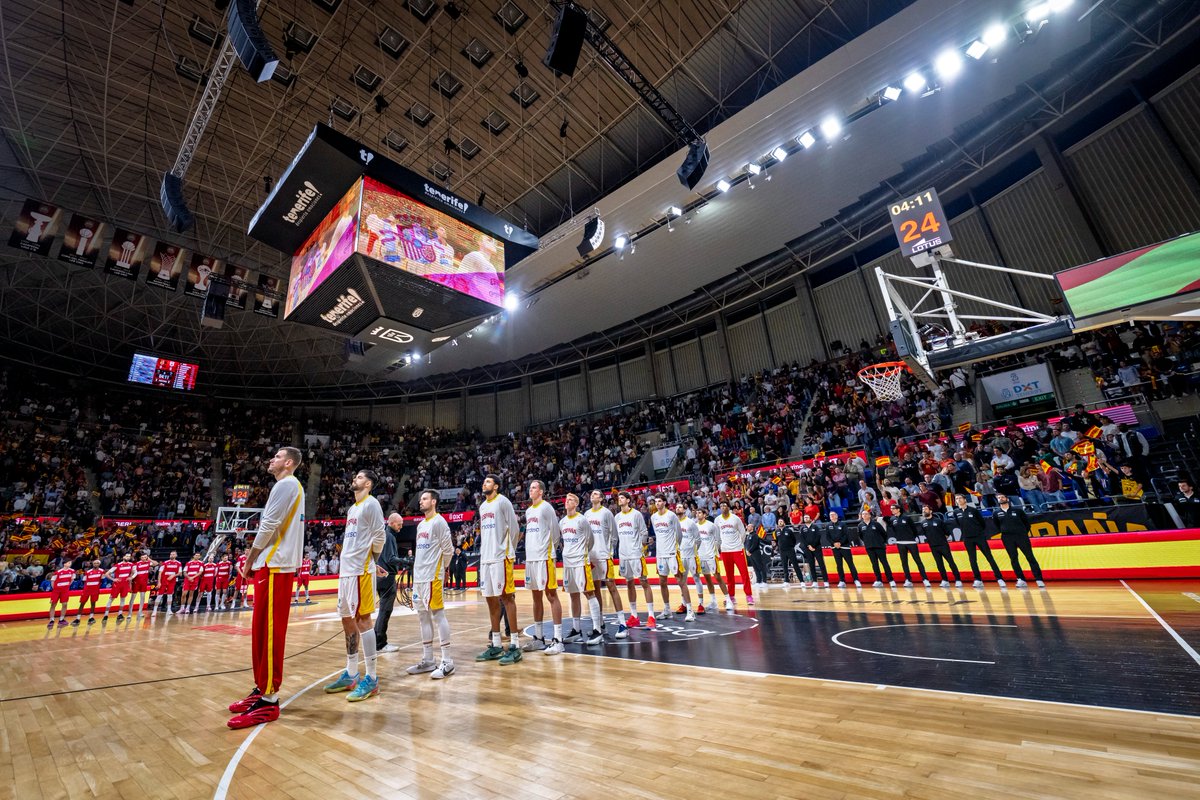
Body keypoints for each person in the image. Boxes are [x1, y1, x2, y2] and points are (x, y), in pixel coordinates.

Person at [227, 446, 307, 730]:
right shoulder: (287, 486)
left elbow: (269, 525)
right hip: (271, 565)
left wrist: (250, 559)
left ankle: (269, 701)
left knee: (270, 633)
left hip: (276, 565)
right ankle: (262, 687)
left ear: (289, 462)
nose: (272, 459)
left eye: (277, 456)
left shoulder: (287, 485)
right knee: (261, 632)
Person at [323, 470, 387, 701]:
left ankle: (371, 678)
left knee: (363, 620)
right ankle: (351, 674)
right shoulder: (352, 509)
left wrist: (372, 561)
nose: (354, 479)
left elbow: (380, 536)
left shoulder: (372, 504)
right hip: (346, 571)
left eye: (359, 477)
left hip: (361, 570)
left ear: (368, 484)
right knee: (347, 620)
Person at [405, 489, 456, 679]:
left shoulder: (439, 522)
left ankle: (447, 661)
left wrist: (443, 569)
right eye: (420, 499)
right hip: (419, 577)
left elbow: (448, 550)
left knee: (438, 615)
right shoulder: (421, 525)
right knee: (422, 617)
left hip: (432, 576)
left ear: (434, 502)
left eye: (425, 499)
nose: (421, 502)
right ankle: (428, 660)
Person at [474, 474, 524, 665]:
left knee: (507, 598)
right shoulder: (482, 506)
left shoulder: (503, 502)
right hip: (486, 558)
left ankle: (514, 645)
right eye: (484, 481)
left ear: (496, 486)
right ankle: (496, 644)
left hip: (501, 557)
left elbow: (514, 528)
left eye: (488, 481)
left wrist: (508, 551)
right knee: (490, 599)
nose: (484, 483)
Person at [520, 479, 564, 653]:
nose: (530, 490)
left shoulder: (546, 508)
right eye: (530, 487)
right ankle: (538, 638)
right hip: (531, 558)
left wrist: (550, 551)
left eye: (534, 487)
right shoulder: (529, 510)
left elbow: (555, 533)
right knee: (535, 597)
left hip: (544, 557)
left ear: (541, 492)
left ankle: (558, 640)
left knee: (551, 595)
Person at [559, 493, 605, 644]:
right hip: (568, 563)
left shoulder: (582, 520)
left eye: (571, 500)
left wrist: (582, 552)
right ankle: (576, 629)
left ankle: (597, 630)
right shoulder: (562, 522)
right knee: (573, 595)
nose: (567, 501)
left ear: (576, 504)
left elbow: (590, 540)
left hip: (580, 561)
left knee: (589, 593)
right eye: (566, 499)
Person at [585, 489, 626, 638]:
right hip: (591, 557)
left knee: (612, 588)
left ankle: (623, 624)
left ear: (601, 498)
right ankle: (600, 624)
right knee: (595, 590)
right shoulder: (586, 514)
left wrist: (609, 552)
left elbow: (614, 535)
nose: (593, 495)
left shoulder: (607, 513)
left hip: (604, 556)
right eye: (592, 493)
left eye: (596, 494)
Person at [947, 493, 1006, 589]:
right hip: (967, 538)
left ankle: (999, 578)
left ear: (965, 499)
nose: (958, 500)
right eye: (956, 499)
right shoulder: (956, 512)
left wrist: (978, 532)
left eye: (960, 498)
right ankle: (978, 579)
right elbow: (958, 524)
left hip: (979, 537)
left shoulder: (973, 510)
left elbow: (982, 523)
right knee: (972, 559)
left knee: (989, 557)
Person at [615, 490, 657, 626]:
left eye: (622, 497)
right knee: (629, 583)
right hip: (623, 555)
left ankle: (651, 616)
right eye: (619, 498)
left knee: (644, 582)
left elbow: (644, 532)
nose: (620, 499)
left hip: (635, 554)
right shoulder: (617, 517)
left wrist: (641, 547)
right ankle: (634, 615)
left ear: (628, 500)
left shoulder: (636, 514)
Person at [650, 494, 694, 621]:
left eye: (659, 501)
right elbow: (657, 534)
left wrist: (675, 547)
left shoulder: (671, 515)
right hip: (660, 554)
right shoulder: (653, 517)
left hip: (672, 553)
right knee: (662, 582)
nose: (657, 503)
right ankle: (667, 610)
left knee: (681, 581)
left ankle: (690, 610)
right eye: (656, 501)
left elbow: (679, 534)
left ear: (664, 502)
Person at [993, 494, 1045, 588]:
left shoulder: (1018, 510)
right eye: (999, 498)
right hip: (1007, 538)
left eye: (1002, 497)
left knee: (1030, 557)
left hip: (1021, 537)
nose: (1000, 499)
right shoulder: (996, 513)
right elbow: (997, 525)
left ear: (1007, 499)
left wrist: (1022, 533)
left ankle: (1039, 579)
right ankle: (1021, 579)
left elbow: (1027, 524)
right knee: (1013, 559)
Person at [375, 512, 404, 655]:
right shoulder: (389, 536)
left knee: (382, 610)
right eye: (399, 524)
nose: (401, 527)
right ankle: (381, 644)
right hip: (387, 578)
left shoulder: (383, 535)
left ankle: (376, 642)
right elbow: (391, 559)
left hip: (379, 577)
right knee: (385, 611)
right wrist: (407, 562)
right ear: (391, 523)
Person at [716, 499, 753, 608]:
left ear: (728, 507)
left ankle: (749, 595)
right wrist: (719, 547)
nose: (723, 507)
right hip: (725, 550)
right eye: (721, 506)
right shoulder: (717, 520)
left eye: (724, 505)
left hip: (737, 549)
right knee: (729, 576)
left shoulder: (735, 518)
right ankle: (731, 596)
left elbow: (743, 532)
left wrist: (739, 543)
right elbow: (717, 535)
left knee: (744, 574)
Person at [915, 505, 962, 588]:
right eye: (923, 509)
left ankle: (958, 580)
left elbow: (947, 532)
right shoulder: (923, 523)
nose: (924, 511)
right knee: (939, 564)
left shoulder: (938, 521)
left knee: (951, 562)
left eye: (925, 509)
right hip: (933, 546)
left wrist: (941, 539)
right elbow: (923, 534)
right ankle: (945, 580)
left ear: (930, 511)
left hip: (943, 545)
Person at [693, 506, 729, 611]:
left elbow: (718, 540)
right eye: (697, 513)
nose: (698, 514)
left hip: (711, 556)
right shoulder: (695, 526)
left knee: (718, 577)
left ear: (705, 515)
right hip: (701, 556)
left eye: (700, 513)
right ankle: (713, 601)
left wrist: (715, 552)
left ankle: (728, 600)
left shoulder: (711, 526)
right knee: (707, 579)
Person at [887, 506, 930, 588]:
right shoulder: (892, 519)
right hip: (900, 543)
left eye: (893, 508)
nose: (891, 510)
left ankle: (925, 579)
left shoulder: (906, 518)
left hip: (911, 542)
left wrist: (911, 537)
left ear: (898, 509)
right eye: (891, 509)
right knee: (904, 562)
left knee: (917, 560)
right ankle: (908, 580)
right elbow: (893, 530)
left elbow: (914, 529)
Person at [676, 502, 707, 615]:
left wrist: (693, 551)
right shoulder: (674, 523)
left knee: (696, 578)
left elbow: (698, 539)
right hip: (680, 556)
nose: (678, 508)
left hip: (691, 556)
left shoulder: (690, 523)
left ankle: (701, 604)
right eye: (676, 507)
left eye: (680, 507)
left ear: (684, 510)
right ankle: (684, 604)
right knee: (682, 581)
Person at [857, 509, 895, 588]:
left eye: (866, 514)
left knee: (884, 563)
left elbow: (884, 534)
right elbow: (861, 536)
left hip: (879, 547)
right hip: (869, 548)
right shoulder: (860, 525)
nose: (864, 515)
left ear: (869, 515)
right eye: (863, 514)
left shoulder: (876, 524)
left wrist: (881, 542)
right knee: (874, 564)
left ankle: (891, 580)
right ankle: (878, 580)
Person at [824, 511, 860, 588]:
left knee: (850, 564)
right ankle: (842, 581)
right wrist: (834, 543)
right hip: (835, 548)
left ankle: (856, 580)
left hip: (845, 547)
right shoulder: (828, 525)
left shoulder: (842, 524)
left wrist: (840, 543)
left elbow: (846, 535)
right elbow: (827, 537)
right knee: (839, 565)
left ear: (836, 516)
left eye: (833, 515)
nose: (832, 516)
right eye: (830, 515)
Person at [102, 553, 135, 623]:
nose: (128, 557)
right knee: (111, 599)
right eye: (127, 556)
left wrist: (131, 579)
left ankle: (120, 614)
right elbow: (106, 574)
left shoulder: (131, 565)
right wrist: (113, 579)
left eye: (129, 556)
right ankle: (106, 615)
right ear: (123, 557)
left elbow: (134, 573)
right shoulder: (117, 565)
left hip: (125, 584)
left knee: (123, 599)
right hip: (117, 585)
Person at [799, 514, 829, 588]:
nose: (806, 518)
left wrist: (813, 546)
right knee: (811, 565)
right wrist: (808, 546)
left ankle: (826, 581)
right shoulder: (802, 528)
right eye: (805, 517)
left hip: (817, 548)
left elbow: (818, 536)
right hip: (808, 549)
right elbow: (802, 539)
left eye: (807, 517)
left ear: (811, 519)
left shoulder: (815, 527)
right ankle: (815, 581)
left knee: (821, 564)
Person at [73, 560, 105, 625]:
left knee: (93, 603)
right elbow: (84, 581)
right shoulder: (88, 572)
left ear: (99, 564)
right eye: (94, 563)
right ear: (92, 564)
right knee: (82, 603)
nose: (95, 564)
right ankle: (78, 619)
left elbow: (102, 580)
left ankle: (91, 618)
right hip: (87, 590)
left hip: (95, 590)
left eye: (97, 563)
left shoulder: (102, 571)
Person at [151, 551, 182, 616]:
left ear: (176, 555)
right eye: (171, 554)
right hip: (164, 581)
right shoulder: (165, 563)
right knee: (159, 595)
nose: (172, 555)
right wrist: (159, 582)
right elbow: (160, 573)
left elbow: (180, 573)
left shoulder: (178, 563)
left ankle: (169, 609)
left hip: (172, 581)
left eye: (173, 554)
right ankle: (155, 610)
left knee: (170, 595)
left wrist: (173, 575)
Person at [47, 563, 75, 627]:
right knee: (53, 604)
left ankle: (61, 619)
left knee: (65, 604)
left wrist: (66, 586)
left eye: (70, 563)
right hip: (56, 591)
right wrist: (55, 589)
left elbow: (72, 580)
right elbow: (52, 581)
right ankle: (51, 620)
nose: (69, 564)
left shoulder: (72, 571)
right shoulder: (57, 572)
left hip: (65, 590)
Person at [776, 516, 801, 587]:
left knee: (795, 565)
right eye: (779, 522)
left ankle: (801, 580)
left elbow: (794, 540)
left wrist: (790, 546)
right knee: (784, 566)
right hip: (782, 551)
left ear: (784, 523)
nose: (780, 523)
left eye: (781, 521)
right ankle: (786, 581)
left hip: (790, 550)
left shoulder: (789, 530)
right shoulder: (777, 531)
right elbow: (777, 540)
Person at [131, 552, 158, 617]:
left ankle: (140, 612)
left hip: (144, 583)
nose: (144, 558)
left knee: (142, 597)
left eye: (145, 557)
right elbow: (132, 573)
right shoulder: (136, 564)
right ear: (140, 557)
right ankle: (130, 612)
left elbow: (156, 563)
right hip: (136, 583)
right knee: (133, 597)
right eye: (143, 557)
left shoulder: (148, 563)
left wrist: (149, 559)